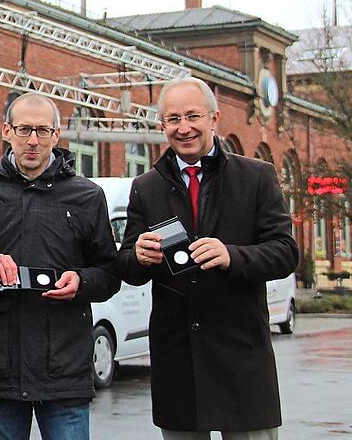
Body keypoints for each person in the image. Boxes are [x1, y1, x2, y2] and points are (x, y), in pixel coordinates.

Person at [117, 77, 298, 440]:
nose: (183, 128)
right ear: (162, 126)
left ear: (214, 119)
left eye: (192, 116)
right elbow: (127, 267)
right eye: (172, 119)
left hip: (241, 357)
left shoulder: (256, 177)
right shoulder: (146, 187)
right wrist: (137, 256)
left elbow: (285, 252)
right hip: (178, 362)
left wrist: (231, 256)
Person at [0, 93, 120, 440]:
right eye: (24, 129)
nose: (33, 140)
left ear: (57, 135)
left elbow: (110, 273)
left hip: (65, 371)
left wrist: (82, 281)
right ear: (6, 131)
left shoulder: (87, 197)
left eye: (43, 131)